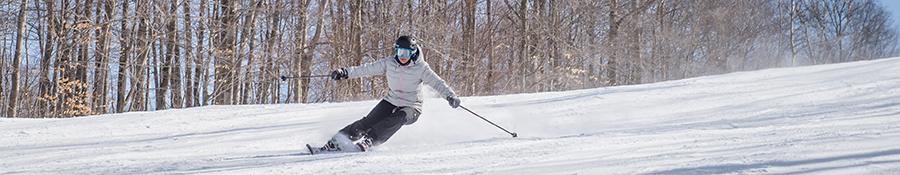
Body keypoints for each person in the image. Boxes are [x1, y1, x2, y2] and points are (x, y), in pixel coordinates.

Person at [316, 35, 460, 152]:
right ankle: (337, 142)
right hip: (392, 100)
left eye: (406, 53)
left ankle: (370, 140)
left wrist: (450, 96)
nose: (402, 56)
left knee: (398, 117)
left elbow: (437, 82)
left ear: (413, 52)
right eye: (399, 52)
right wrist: (345, 73)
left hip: (412, 107)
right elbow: (367, 69)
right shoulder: (390, 62)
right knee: (368, 121)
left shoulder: (421, 68)